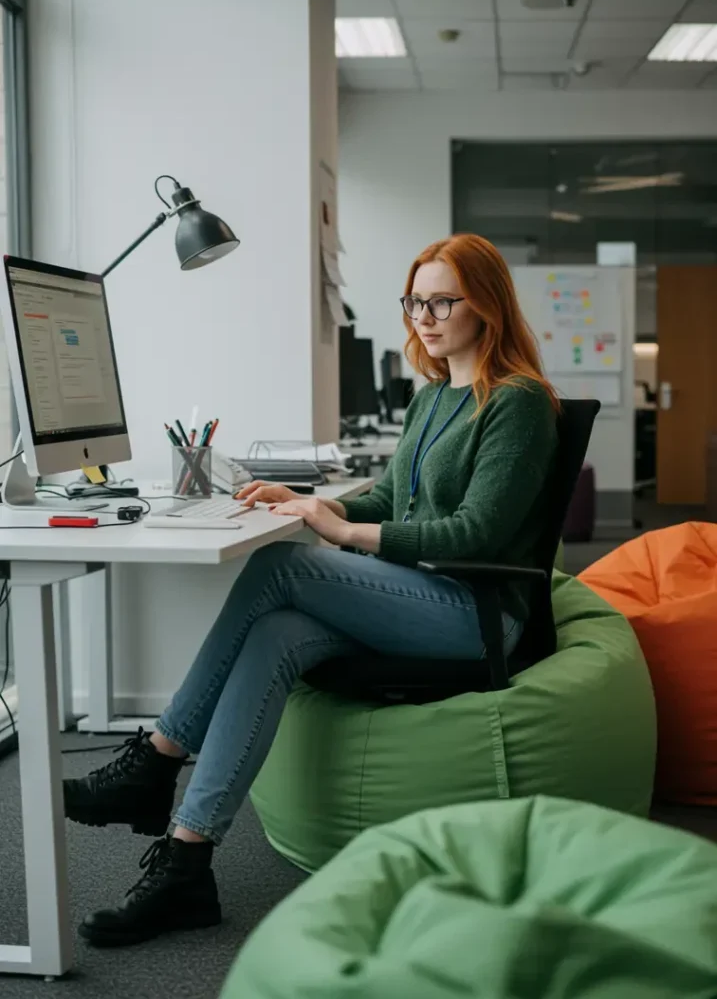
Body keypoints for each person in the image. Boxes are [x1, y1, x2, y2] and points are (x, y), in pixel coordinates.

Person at [64, 232, 560, 947]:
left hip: (472, 613)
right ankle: (185, 862)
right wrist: (295, 498)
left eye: (442, 300)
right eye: (414, 301)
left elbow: (476, 533)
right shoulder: (431, 400)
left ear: (485, 305)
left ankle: (156, 758)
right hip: (412, 596)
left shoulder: (513, 402)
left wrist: (340, 531)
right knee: (276, 634)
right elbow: (388, 501)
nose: (424, 315)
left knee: (279, 567)